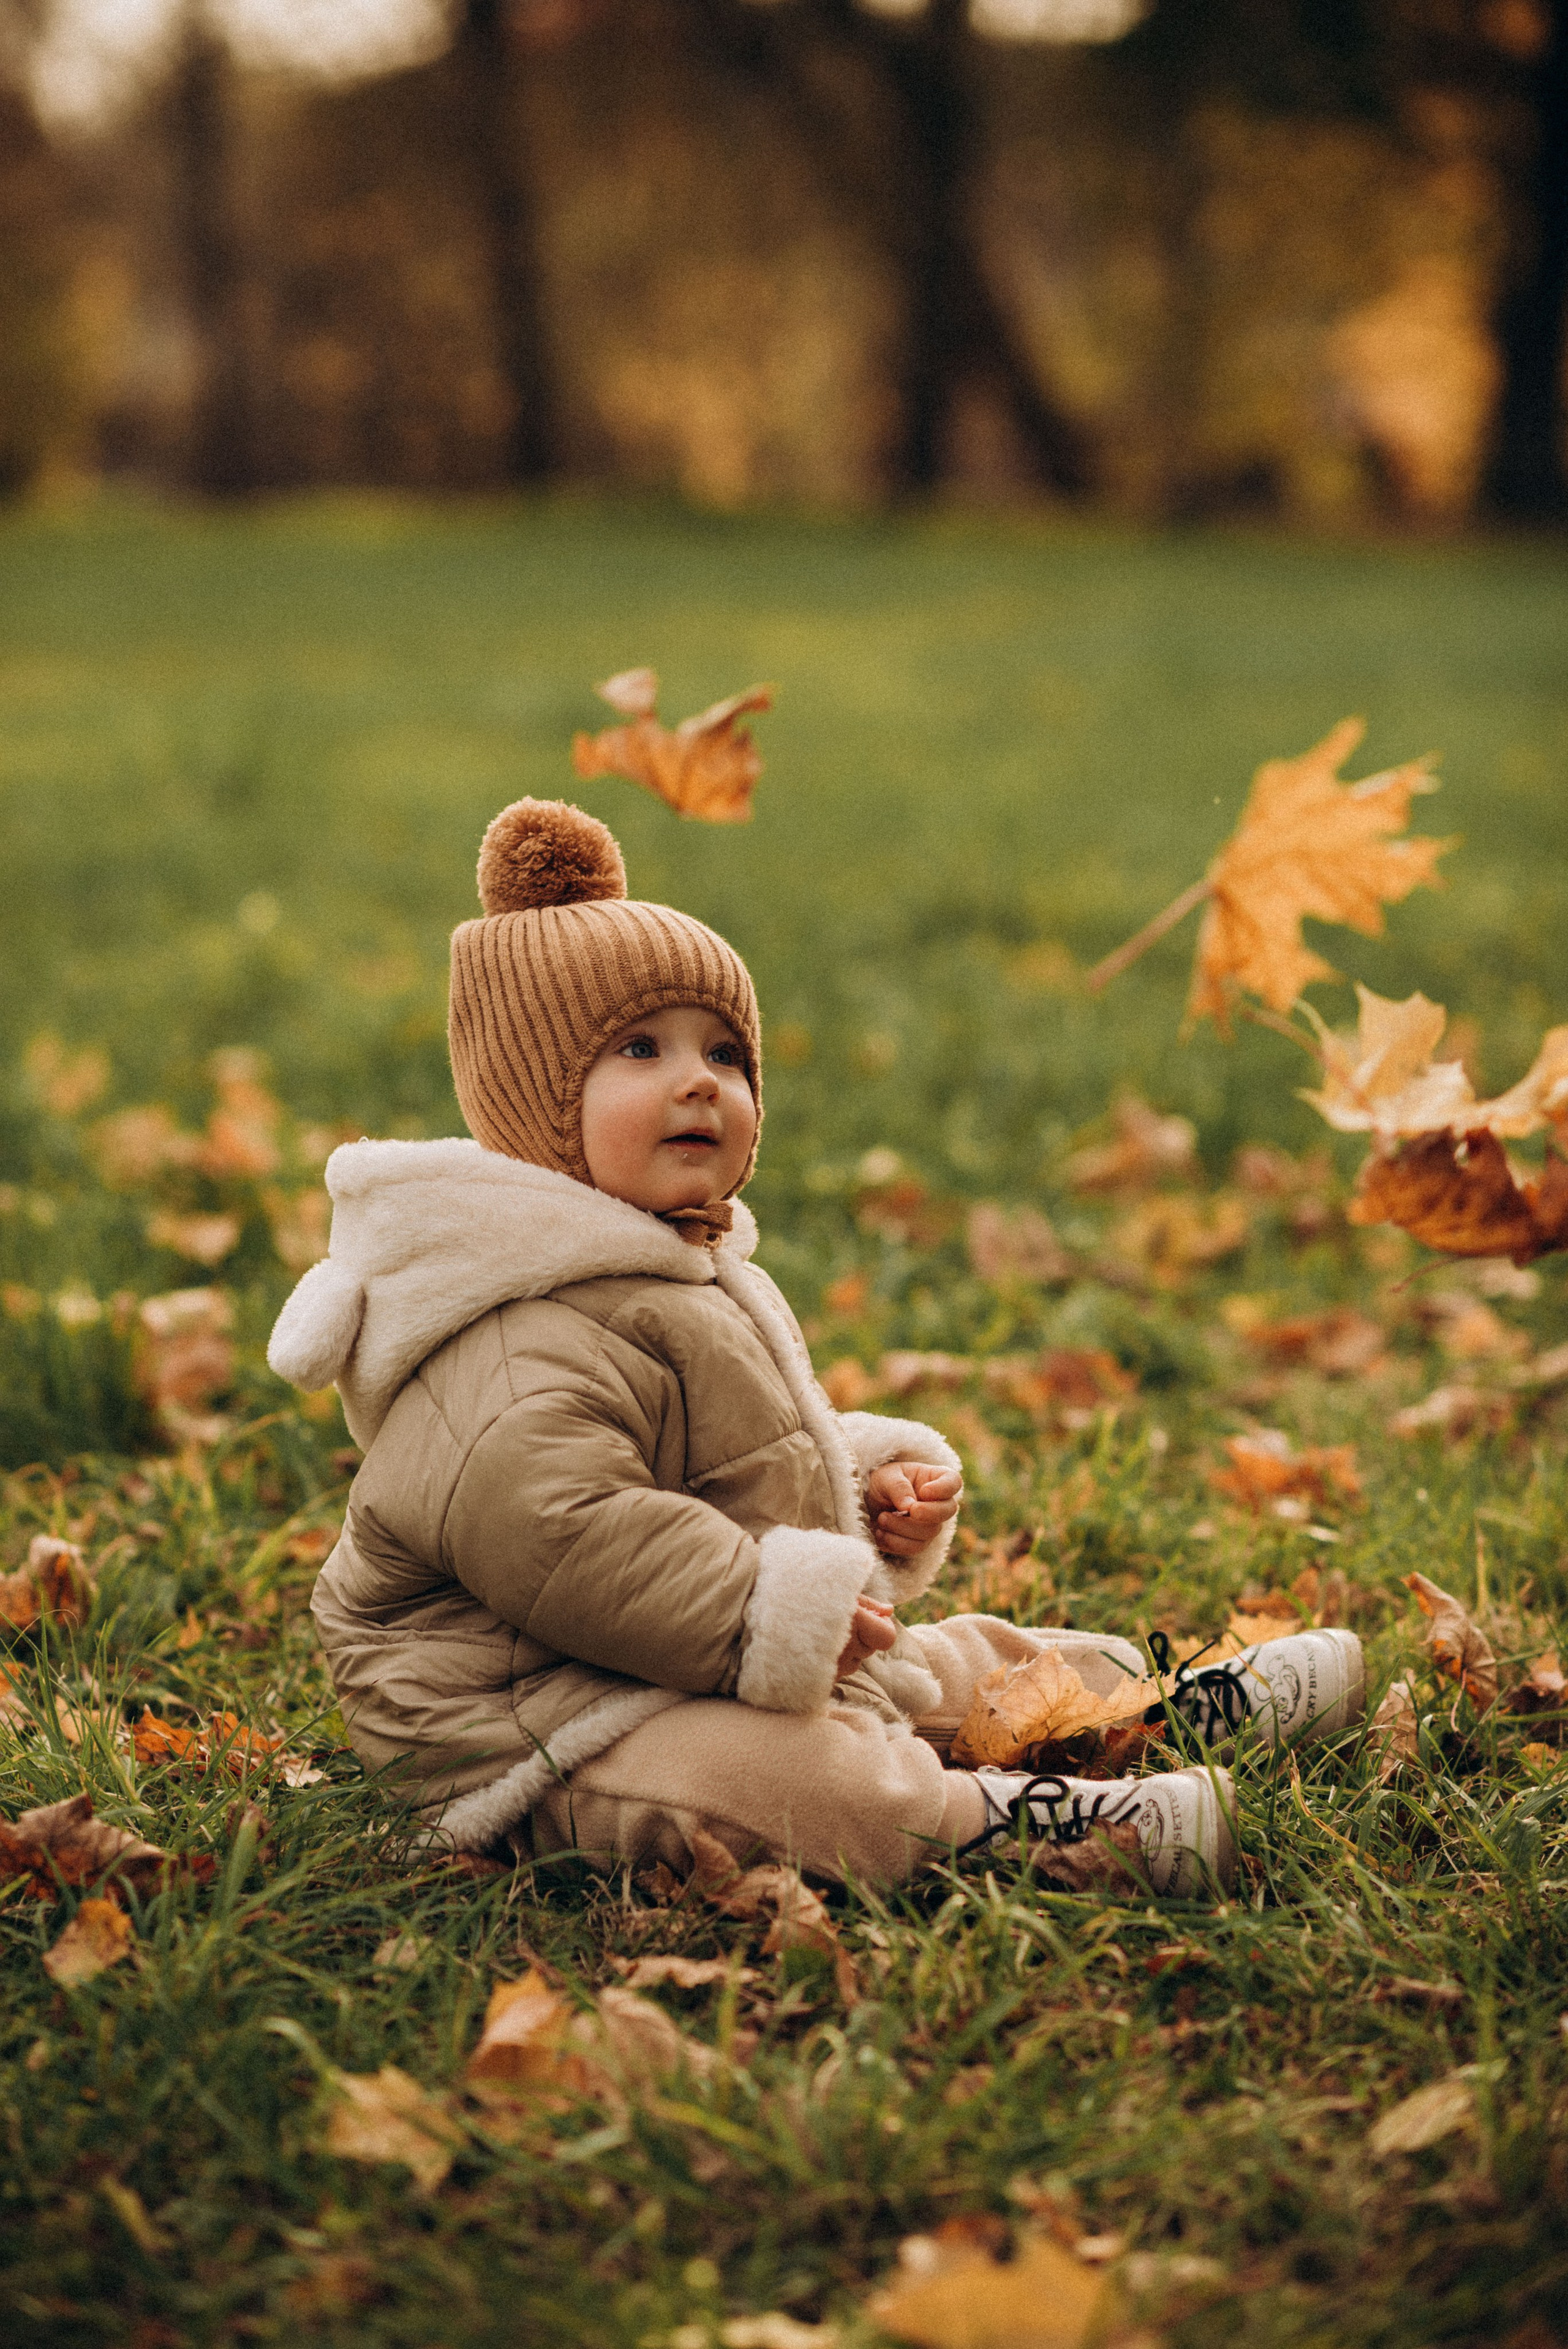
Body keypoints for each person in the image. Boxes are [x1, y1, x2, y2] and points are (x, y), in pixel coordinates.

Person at [269, 798, 1365, 1899]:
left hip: (657, 1654)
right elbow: (572, 1535)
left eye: (725, 1053)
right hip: (530, 1728)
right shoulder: (511, 1330)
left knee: (945, 1660)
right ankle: (1036, 1831)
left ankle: (1157, 1702)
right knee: (779, 1779)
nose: (699, 1080)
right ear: (536, 1105)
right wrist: (764, 1607)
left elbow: (705, 1467)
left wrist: (856, 1485)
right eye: (641, 1049)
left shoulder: (657, 1267)